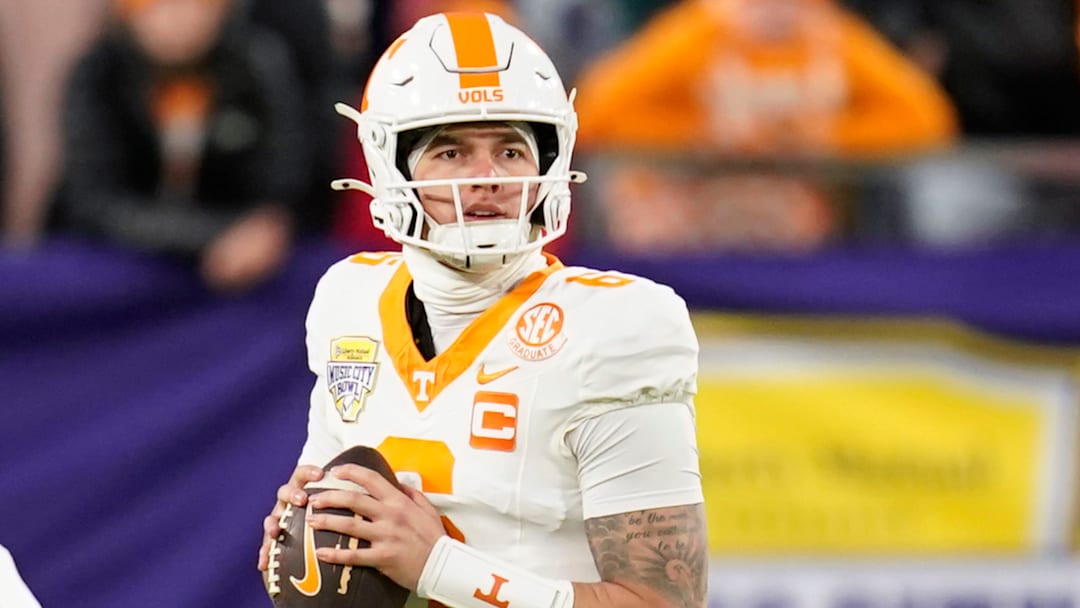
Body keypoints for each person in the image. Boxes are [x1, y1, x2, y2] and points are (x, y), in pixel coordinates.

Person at [257, 11, 707, 608]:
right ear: (390, 166)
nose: (488, 177)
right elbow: (328, 510)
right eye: (450, 151)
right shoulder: (350, 299)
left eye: (511, 150)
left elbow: (663, 604)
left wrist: (437, 565)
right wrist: (306, 541)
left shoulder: (613, 329)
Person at [51, 0, 311, 293]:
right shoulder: (97, 75)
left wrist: (264, 228)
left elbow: (285, 181)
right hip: (108, 261)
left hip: (238, 264)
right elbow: (95, 200)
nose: (178, 17)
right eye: (156, 6)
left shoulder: (257, 63)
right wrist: (213, 236)